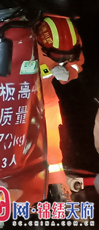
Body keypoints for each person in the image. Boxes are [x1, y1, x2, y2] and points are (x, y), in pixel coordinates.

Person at [36, 15, 85, 200]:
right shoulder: (27, 37)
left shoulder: (70, 38)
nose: (62, 60)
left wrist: (68, 73)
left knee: (54, 154)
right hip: (21, 103)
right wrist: (47, 71)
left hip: (47, 102)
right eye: (58, 57)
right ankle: (27, 195)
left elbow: (76, 63)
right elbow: (23, 70)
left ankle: (62, 194)